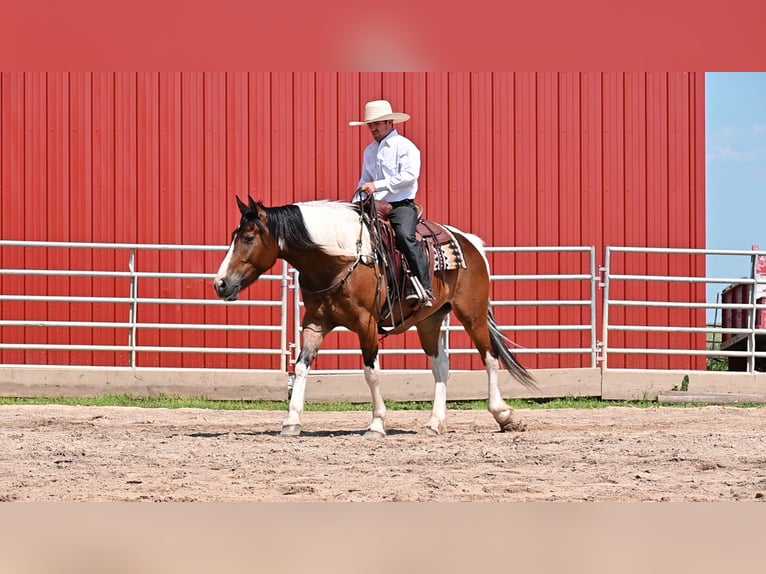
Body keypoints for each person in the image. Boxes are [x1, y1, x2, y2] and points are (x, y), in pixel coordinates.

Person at [349, 100, 435, 307]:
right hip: (374, 205)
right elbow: (365, 179)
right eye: (370, 125)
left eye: (376, 124)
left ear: (389, 122)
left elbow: (409, 176)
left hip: (400, 205)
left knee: (405, 237)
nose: (372, 129)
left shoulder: (406, 147)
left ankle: (425, 287)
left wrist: (377, 186)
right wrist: (356, 201)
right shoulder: (370, 151)